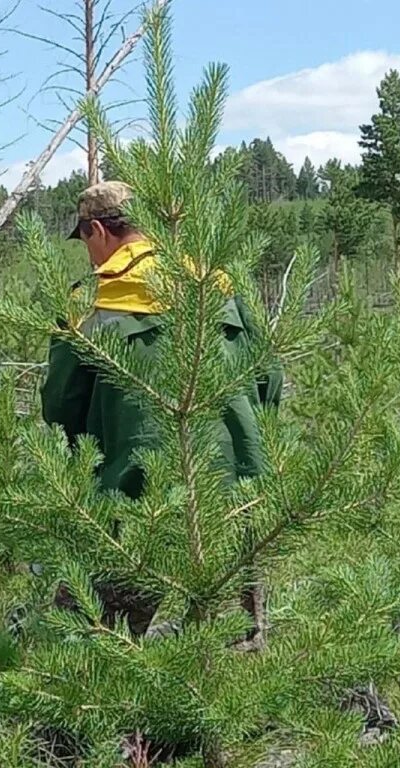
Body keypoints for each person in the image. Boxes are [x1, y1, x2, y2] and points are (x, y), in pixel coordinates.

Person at [40, 180, 282, 638]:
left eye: (86, 241)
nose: (89, 253)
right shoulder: (217, 282)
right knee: (232, 633)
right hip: (233, 479)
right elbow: (269, 376)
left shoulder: (88, 299)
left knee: (94, 633)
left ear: (97, 229)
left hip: (135, 484)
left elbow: (61, 405)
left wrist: (83, 462)